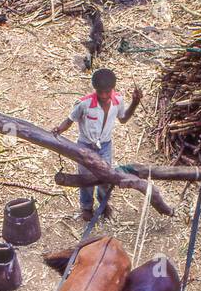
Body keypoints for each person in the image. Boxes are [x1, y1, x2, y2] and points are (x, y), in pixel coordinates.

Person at [51, 68, 142, 221]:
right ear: (95, 90)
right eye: (101, 92)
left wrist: (135, 102)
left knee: (106, 177)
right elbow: (70, 120)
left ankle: (103, 203)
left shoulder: (118, 100)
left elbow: (124, 119)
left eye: (108, 91)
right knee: (86, 179)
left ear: (112, 89)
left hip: (105, 146)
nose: (105, 96)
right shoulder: (84, 104)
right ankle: (86, 208)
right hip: (85, 146)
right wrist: (58, 130)